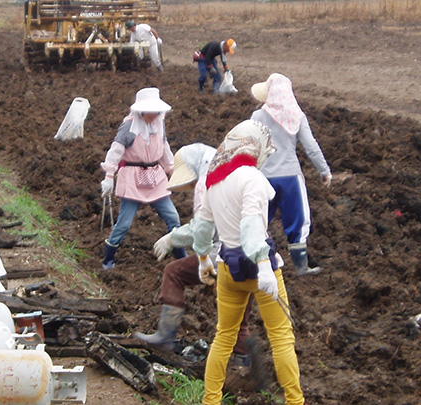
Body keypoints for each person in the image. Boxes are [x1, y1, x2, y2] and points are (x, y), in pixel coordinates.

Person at [192, 119, 305, 404]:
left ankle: (210, 400)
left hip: (227, 269)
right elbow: (252, 225)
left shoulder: (214, 180)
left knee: (224, 336)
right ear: (254, 146)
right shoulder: (252, 178)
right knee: (281, 337)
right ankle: (295, 401)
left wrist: (203, 259)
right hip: (259, 268)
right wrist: (265, 267)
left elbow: (202, 228)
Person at [135, 143, 255, 365]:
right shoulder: (234, 173)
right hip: (255, 253)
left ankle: (165, 336)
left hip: (226, 255)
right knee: (239, 312)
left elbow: (202, 228)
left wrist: (172, 238)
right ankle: (244, 364)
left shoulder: (207, 182)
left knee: (174, 272)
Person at [251, 73, 332, 277]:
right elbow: (311, 147)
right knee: (298, 220)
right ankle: (301, 267)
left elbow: (249, 145)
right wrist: (324, 171)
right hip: (290, 177)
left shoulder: (258, 116)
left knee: (258, 220)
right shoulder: (297, 116)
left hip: (263, 177)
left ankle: (254, 263)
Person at [100, 87, 186, 269]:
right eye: (149, 111)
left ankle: (181, 258)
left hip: (155, 176)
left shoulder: (159, 125)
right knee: (124, 223)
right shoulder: (129, 127)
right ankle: (108, 260)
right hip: (132, 177)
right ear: (140, 110)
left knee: (173, 217)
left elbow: (164, 148)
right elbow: (116, 150)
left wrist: (172, 170)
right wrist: (109, 175)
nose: (153, 115)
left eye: (156, 112)